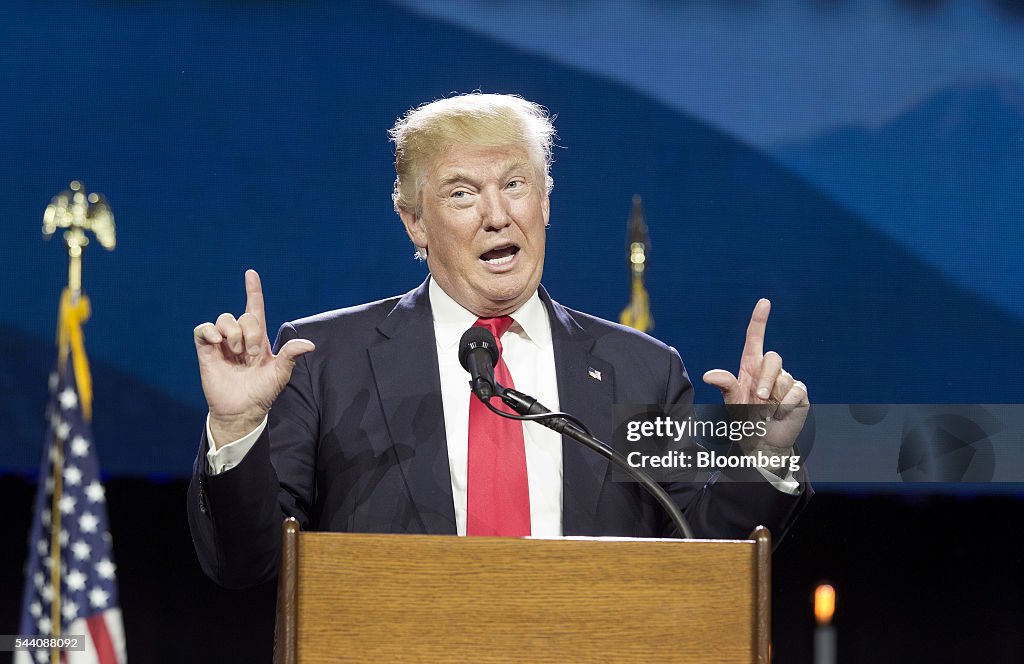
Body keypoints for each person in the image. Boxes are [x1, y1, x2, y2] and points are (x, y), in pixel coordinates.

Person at [187, 93, 811, 589]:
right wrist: (238, 427)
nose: (496, 214)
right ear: (414, 222)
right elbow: (249, 564)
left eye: (515, 185)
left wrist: (762, 458)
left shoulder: (641, 369)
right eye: (462, 193)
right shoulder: (327, 362)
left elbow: (700, 563)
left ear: (545, 203)